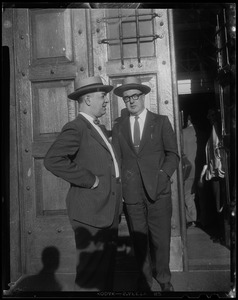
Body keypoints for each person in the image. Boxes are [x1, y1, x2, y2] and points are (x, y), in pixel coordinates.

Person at [44, 76, 122, 291]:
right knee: (90, 278)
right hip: (91, 214)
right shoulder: (76, 127)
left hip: (107, 211)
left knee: (105, 275)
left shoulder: (97, 127)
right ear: (87, 100)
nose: (106, 101)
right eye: (102, 96)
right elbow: (53, 160)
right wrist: (90, 180)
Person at [112, 76, 180, 292]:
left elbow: (173, 155)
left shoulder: (160, 122)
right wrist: (121, 188)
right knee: (139, 241)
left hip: (158, 192)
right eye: (127, 98)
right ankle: (144, 282)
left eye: (135, 96)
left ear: (143, 96)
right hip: (132, 194)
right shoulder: (119, 126)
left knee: (161, 240)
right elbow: (117, 159)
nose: (131, 101)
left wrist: (163, 176)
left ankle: (164, 280)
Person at [198, 109, 226, 244]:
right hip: (214, 173)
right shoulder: (213, 131)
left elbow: (218, 152)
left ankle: (223, 235)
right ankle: (221, 233)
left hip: (219, 173)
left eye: (212, 115)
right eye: (209, 116)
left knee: (221, 204)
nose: (210, 118)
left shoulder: (218, 130)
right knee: (217, 204)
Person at [182, 115, 198, 228]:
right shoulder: (199, 132)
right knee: (193, 194)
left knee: (186, 194)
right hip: (201, 168)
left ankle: (191, 218)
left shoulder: (184, 132)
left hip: (188, 168)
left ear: (188, 120)